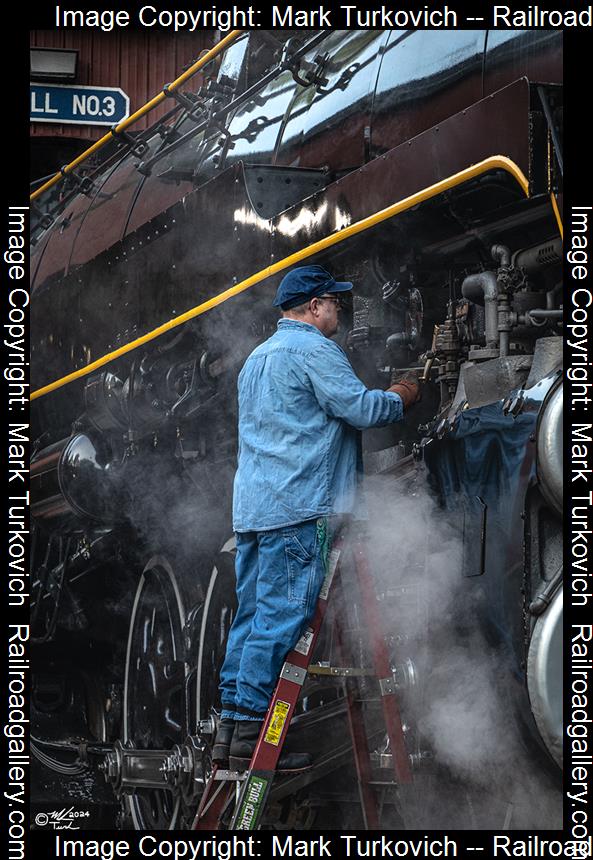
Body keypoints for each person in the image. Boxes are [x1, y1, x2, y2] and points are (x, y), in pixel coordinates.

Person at [212, 264, 420, 771]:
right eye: (335, 303)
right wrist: (404, 393)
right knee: (282, 619)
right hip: (299, 506)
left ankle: (230, 733)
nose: (340, 313)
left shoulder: (256, 360)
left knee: (249, 619)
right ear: (314, 306)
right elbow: (362, 410)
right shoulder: (314, 350)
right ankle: (252, 741)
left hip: (255, 513)